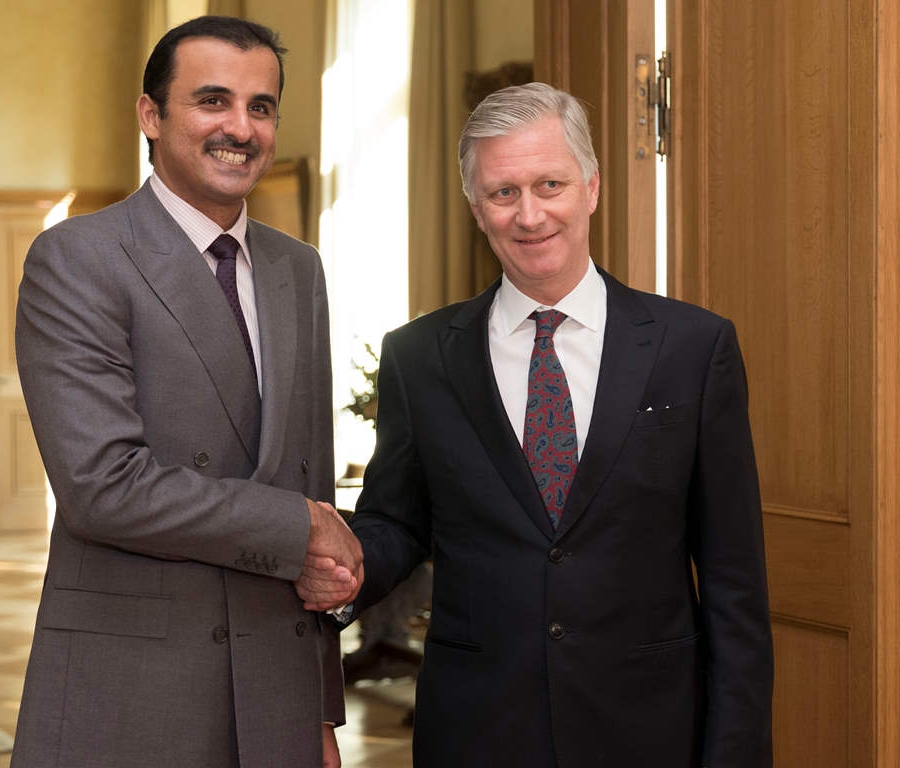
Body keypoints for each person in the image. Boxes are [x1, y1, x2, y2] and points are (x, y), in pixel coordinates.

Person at [297, 83, 773, 767]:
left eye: (550, 184)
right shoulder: (419, 357)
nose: (530, 214)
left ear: (591, 188)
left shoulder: (692, 349)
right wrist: (348, 565)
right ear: (475, 209)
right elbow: (397, 523)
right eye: (503, 192)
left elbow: (735, 584)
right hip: (479, 730)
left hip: (651, 730)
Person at [12, 16, 361, 768]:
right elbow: (102, 488)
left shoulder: (297, 269)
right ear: (151, 115)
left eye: (260, 106)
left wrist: (320, 711)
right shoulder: (76, 258)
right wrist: (298, 523)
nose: (240, 127)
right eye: (212, 100)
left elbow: (311, 476)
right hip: (134, 689)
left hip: (275, 691)